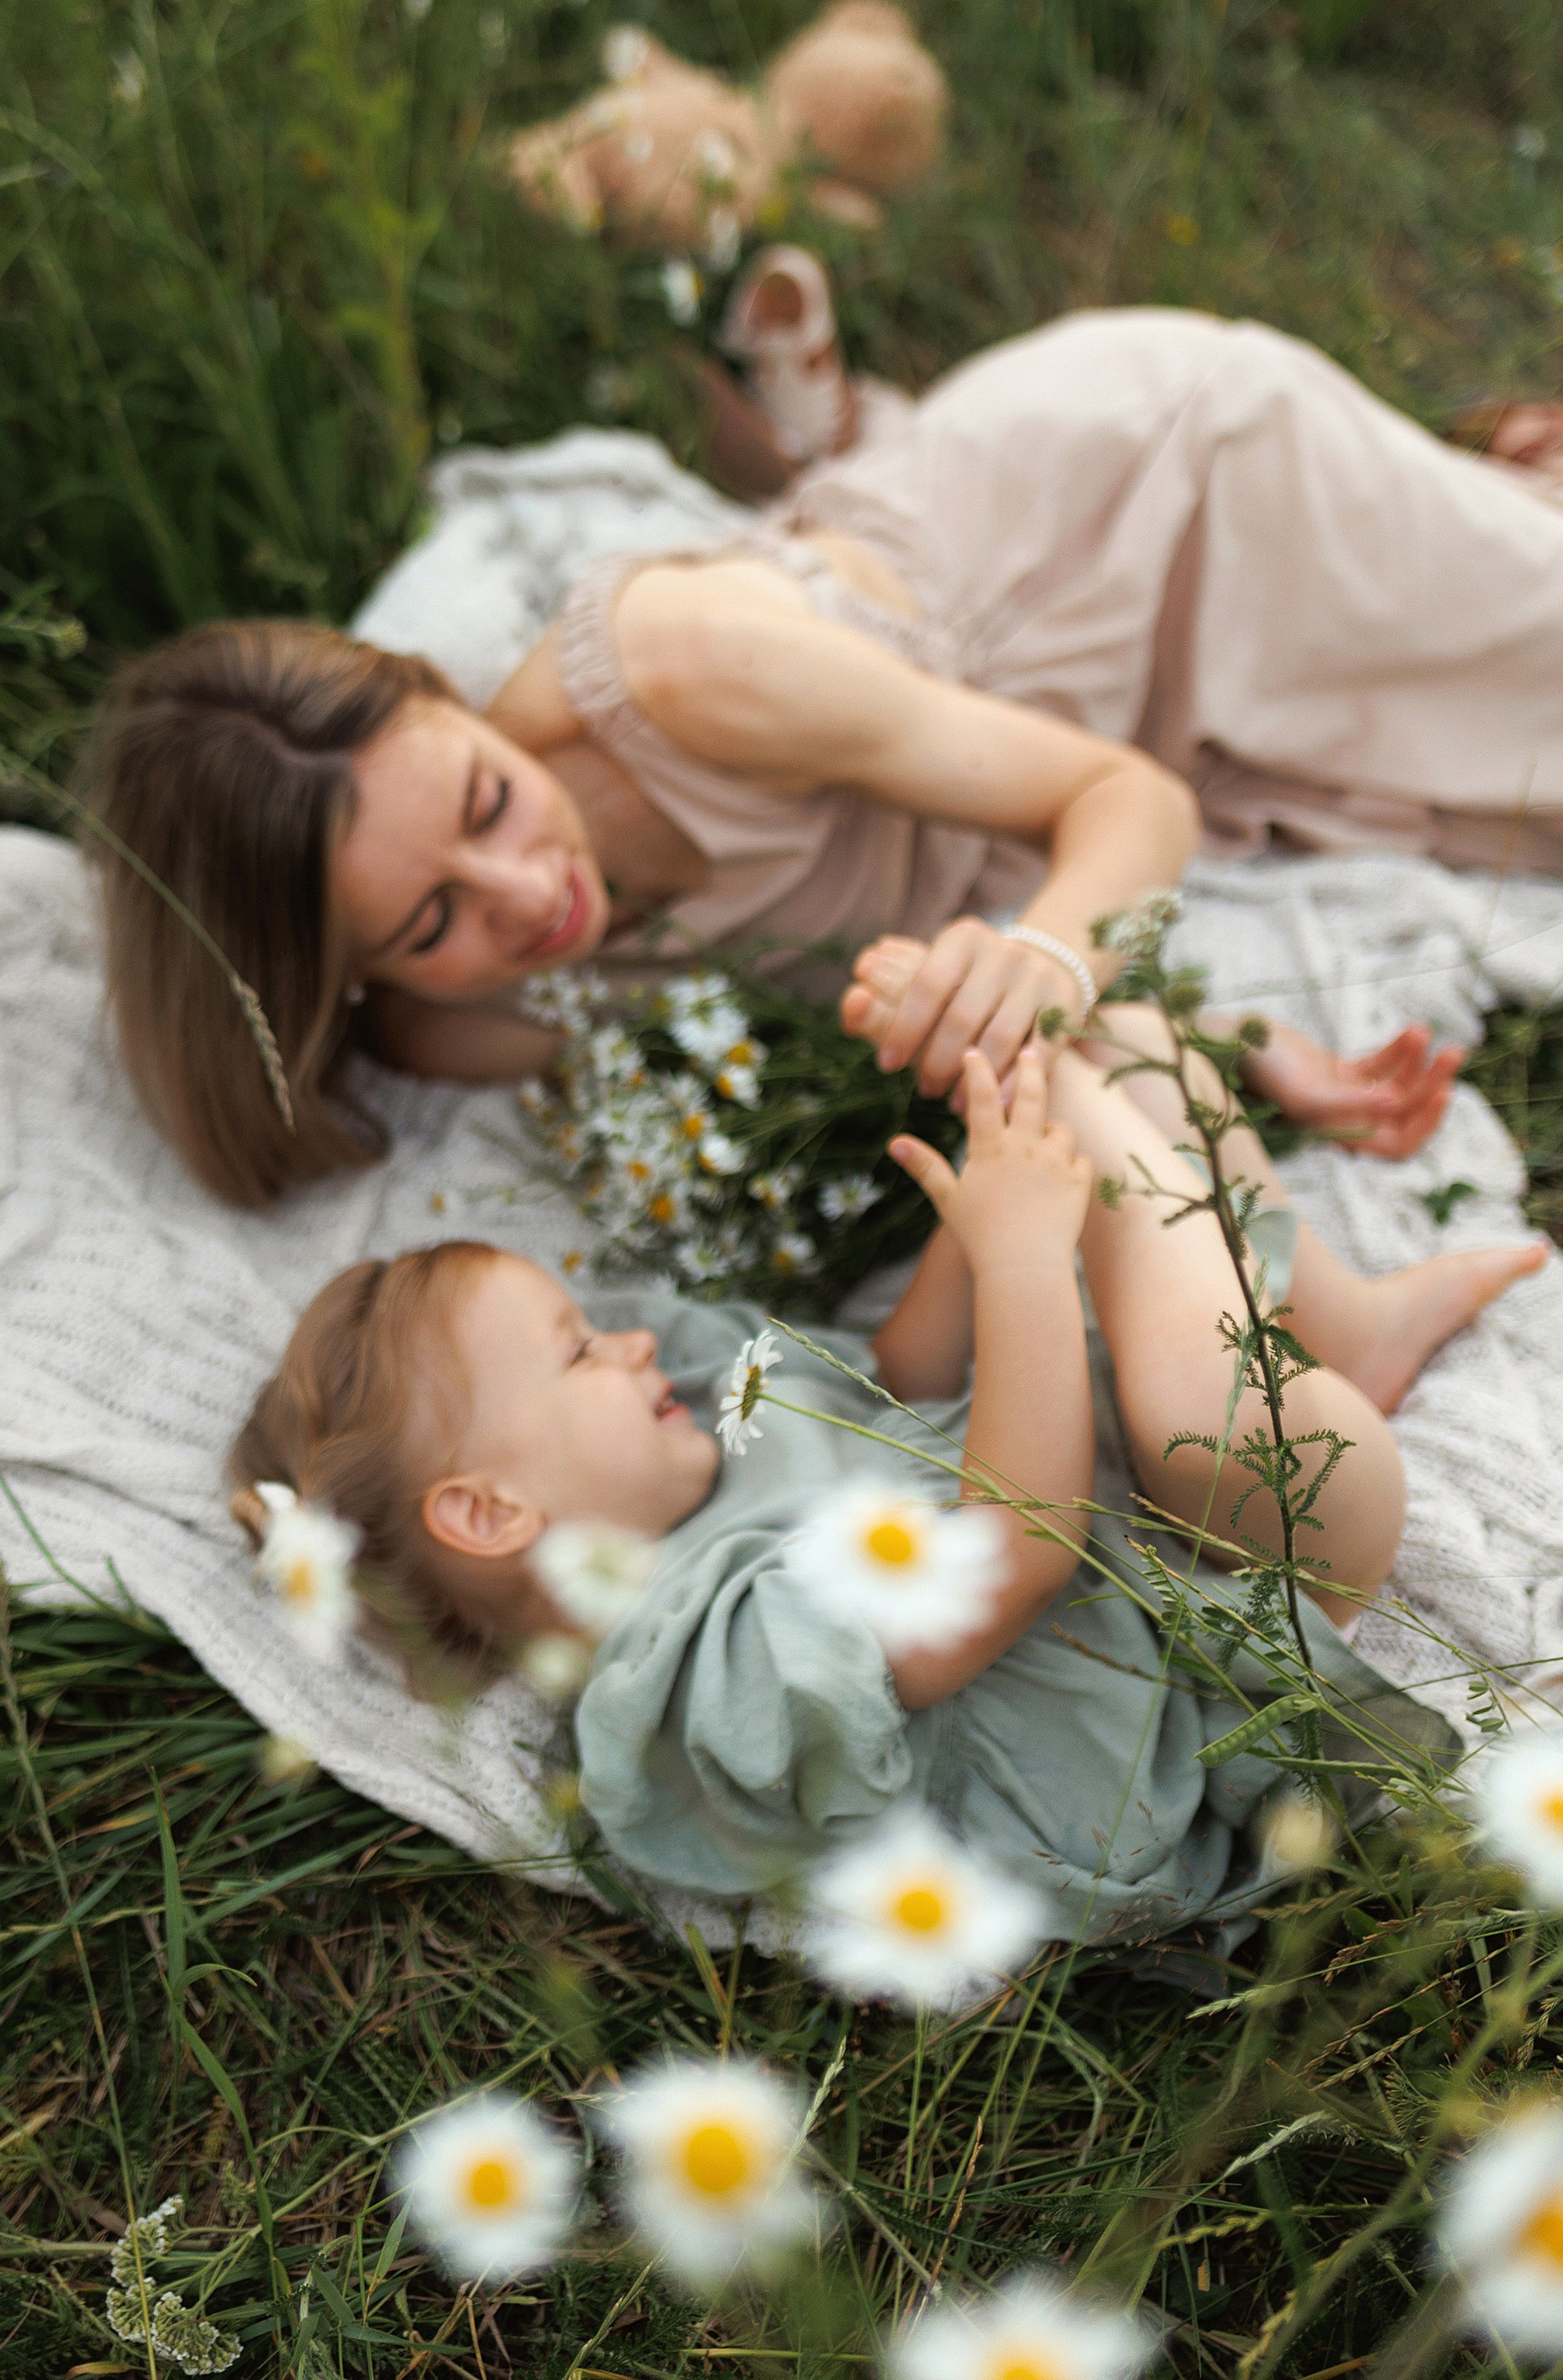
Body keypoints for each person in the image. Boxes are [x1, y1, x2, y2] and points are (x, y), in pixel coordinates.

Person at [82, 276, 1563, 1209]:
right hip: (1122, 704)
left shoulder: (688, 667)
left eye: (488, 797)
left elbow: (1130, 804)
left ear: (455, 701)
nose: (530, 896)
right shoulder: (444, 1022)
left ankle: (1458, 490)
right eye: (432, 918)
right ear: (351, 972)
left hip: (1154, 503)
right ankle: (1485, 487)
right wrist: (1229, 1043)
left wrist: (1050, 959)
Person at [228, 1044, 1465, 1931]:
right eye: (578, 1351)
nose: (633, 1344)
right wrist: (1022, 1257)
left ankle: (1323, 1292)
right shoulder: (715, 1672)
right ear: (492, 1513)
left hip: (1151, 1485)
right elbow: (1014, 1559)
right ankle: (1333, 1325)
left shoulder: (709, 1456)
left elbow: (896, 1383)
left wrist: (979, 1207)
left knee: (1089, 1053)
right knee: (1113, 1178)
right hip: (1236, 1602)